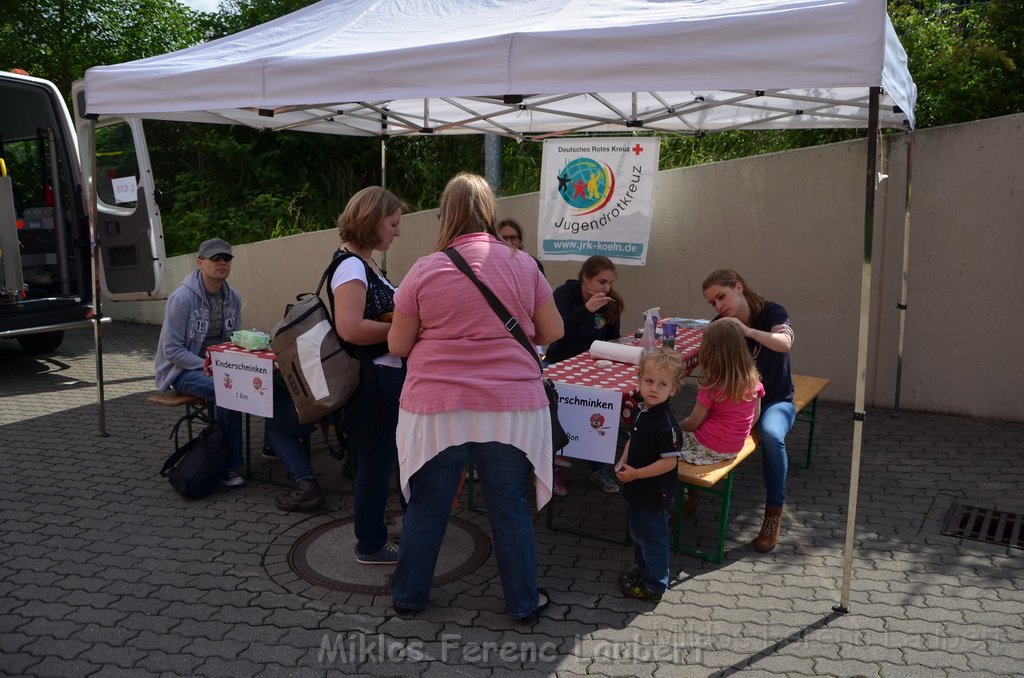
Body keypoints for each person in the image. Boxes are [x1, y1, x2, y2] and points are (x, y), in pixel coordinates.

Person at [388, 172, 564, 623]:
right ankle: (523, 603)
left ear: (446, 214)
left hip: (438, 408)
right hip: (511, 408)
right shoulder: (523, 264)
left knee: (428, 506)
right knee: (508, 506)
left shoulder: (425, 269)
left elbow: (398, 345)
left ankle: (409, 597)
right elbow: (553, 332)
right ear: (488, 211)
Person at [329, 186, 408, 564]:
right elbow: (350, 328)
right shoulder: (351, 265)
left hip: (382, 379)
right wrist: (405, 333)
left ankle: (379, 537)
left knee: (380, 463)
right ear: (371, 220)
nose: (397, 231)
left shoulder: (364, 262)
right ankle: (371, 544)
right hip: (373, 383)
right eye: (392, 223)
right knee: (375, 465)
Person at [702, 268, 795, 552]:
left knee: (770, 435)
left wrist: (748, 331)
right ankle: (688, 496)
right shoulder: (721, 324)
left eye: (722, 296)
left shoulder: (771, 312)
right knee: (697, 429)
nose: (719, 306)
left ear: (739, 288)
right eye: (713, 303)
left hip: (776, 400)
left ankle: (773, 514)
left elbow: (785, 343)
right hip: (737, 404)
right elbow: (707, 360)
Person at [154, 238, 244, 487]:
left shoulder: (233, 297)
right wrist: (208, 364)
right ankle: (230, 465)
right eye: (215, 258)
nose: (222, 262)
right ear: (200, 262)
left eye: (226, 258)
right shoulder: (181, 298)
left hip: (220, 367)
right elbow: (172, 351)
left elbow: (234, 339)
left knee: (265, 382)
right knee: (228, 392)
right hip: (182, 370)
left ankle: (272, 445)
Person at [543, 255, 625, 496]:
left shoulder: (611, 302)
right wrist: (585, 310)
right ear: (585, 278)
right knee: (556, 401)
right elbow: (556, 334)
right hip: (561, 360)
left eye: (609, 282)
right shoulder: (564, 295)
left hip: (593, 366)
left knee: (604, 406)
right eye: (601, 282)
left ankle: (598, 467)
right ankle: (554, 469)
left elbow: (612, 337)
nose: (606, 288)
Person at [614, 349, 685, 603]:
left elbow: (668, 462)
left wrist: (637, 474)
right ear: (639, 380)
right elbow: (632, 439)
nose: (654, 388)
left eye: (662, 384)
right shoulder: (642, 410)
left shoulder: (666, 424)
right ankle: (644, 570)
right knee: (638, 531)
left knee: (653, 538)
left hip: (655, 494)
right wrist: (623, 460)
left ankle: (655, 586)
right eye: (649, 381)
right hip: (637, 488)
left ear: (674, 389)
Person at [678, 320, 764, 465]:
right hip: (734, 447)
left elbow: (693, 422)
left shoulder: (712, 387)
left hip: (707, 446)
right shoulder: (755, 383)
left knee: (665, 443)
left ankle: (676, 485)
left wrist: (680, 425)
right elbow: (755, 416)